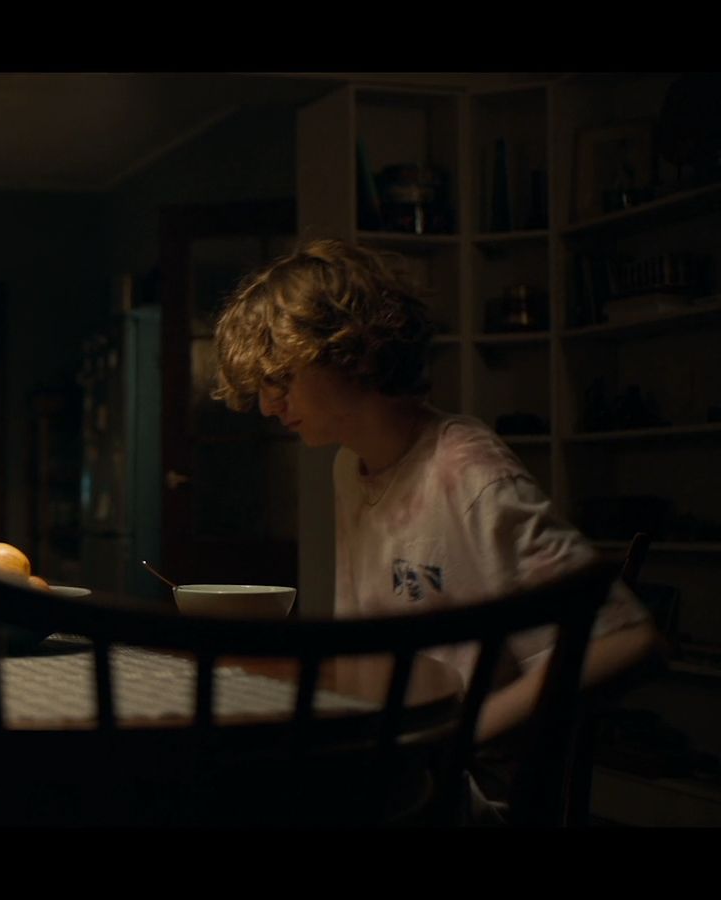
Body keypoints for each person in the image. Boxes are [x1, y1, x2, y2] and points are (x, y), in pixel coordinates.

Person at [211, 238, 662, 819]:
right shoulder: (348, 467)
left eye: (282, 378)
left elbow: (629, 642)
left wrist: (456, 735)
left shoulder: (466, 469)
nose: (270, 407)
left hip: (458, 788)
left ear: (355, 353)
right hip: (390, 766)